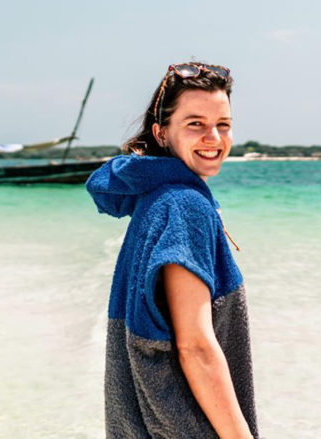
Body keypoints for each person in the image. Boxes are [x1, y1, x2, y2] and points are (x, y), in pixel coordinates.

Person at [86, 62, 259, 439]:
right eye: (195, 123)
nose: (214, 137)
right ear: (161, 133)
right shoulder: (184, 206)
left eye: (223, 124)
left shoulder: (155, 199)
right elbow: (195, 346)